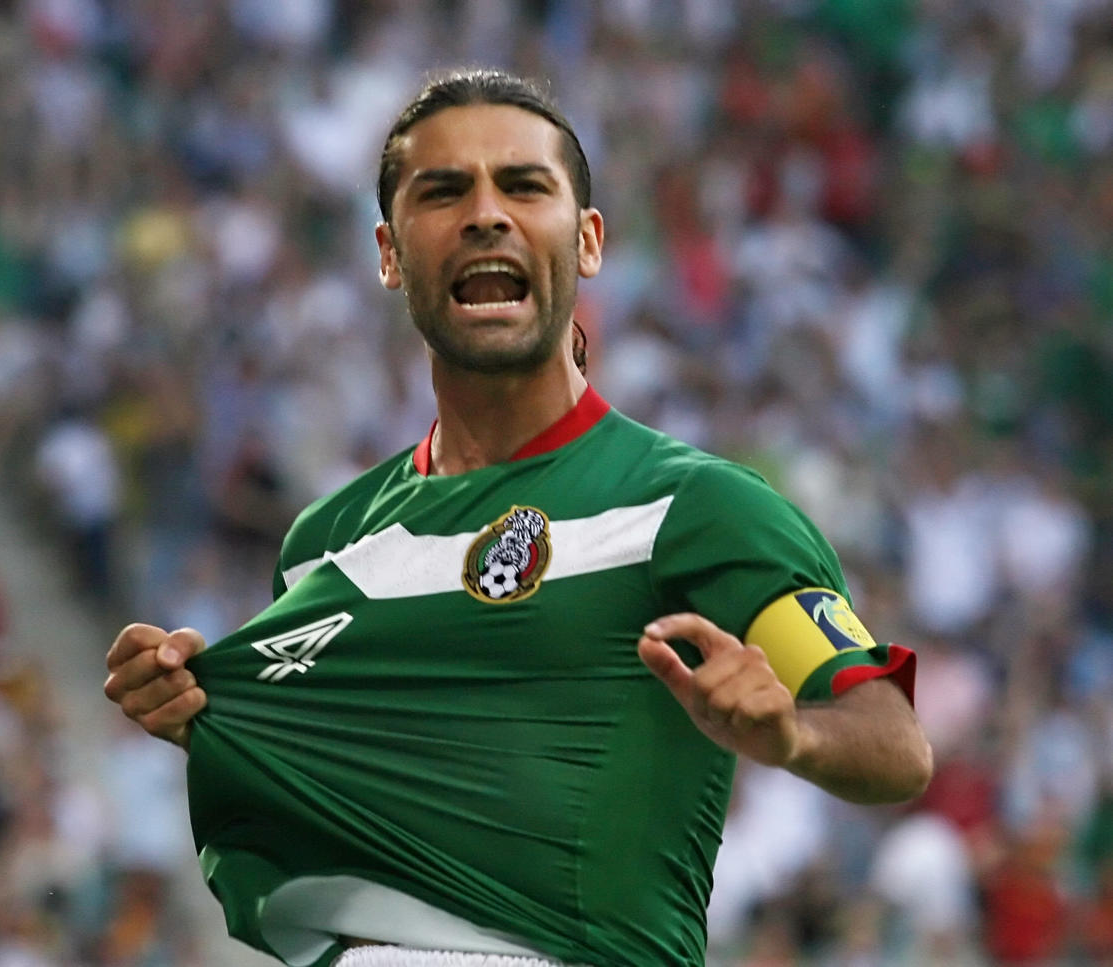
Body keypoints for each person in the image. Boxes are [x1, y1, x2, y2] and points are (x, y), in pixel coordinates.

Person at [104, 69, 933, 967]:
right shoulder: (323, 542)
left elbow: (894, 744)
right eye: (445, 190)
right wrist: (199, 700)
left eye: (525, 186)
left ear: (586, 242)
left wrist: (791, 733)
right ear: (389, 253)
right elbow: (336, 777)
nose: (486, 213)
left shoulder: (698, 508)